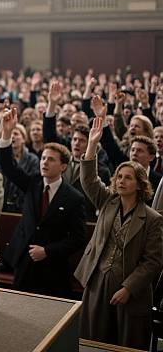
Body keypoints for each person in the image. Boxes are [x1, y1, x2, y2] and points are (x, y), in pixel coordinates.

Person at [76, 117, 163, 349]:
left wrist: (129, 287)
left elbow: (153, 261)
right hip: (98, 281)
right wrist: (92, 146)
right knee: (93, 339)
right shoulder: (108, 201)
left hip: (129, 290)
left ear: (140, 184)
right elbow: (89, 180)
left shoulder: (152, 219)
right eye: (119, 177)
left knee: (123, 342)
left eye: (128, 178)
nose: (122, 181)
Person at [0, 107, 87, 297]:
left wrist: (48, 251)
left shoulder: (73, 197)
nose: (44, 162)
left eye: (51, 160)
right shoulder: (33, 183)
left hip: (52, 268)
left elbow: (78, 238)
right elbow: (8, 167)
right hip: (23, 261)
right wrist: (6, 133)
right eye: (43, 158)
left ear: (63, 166)